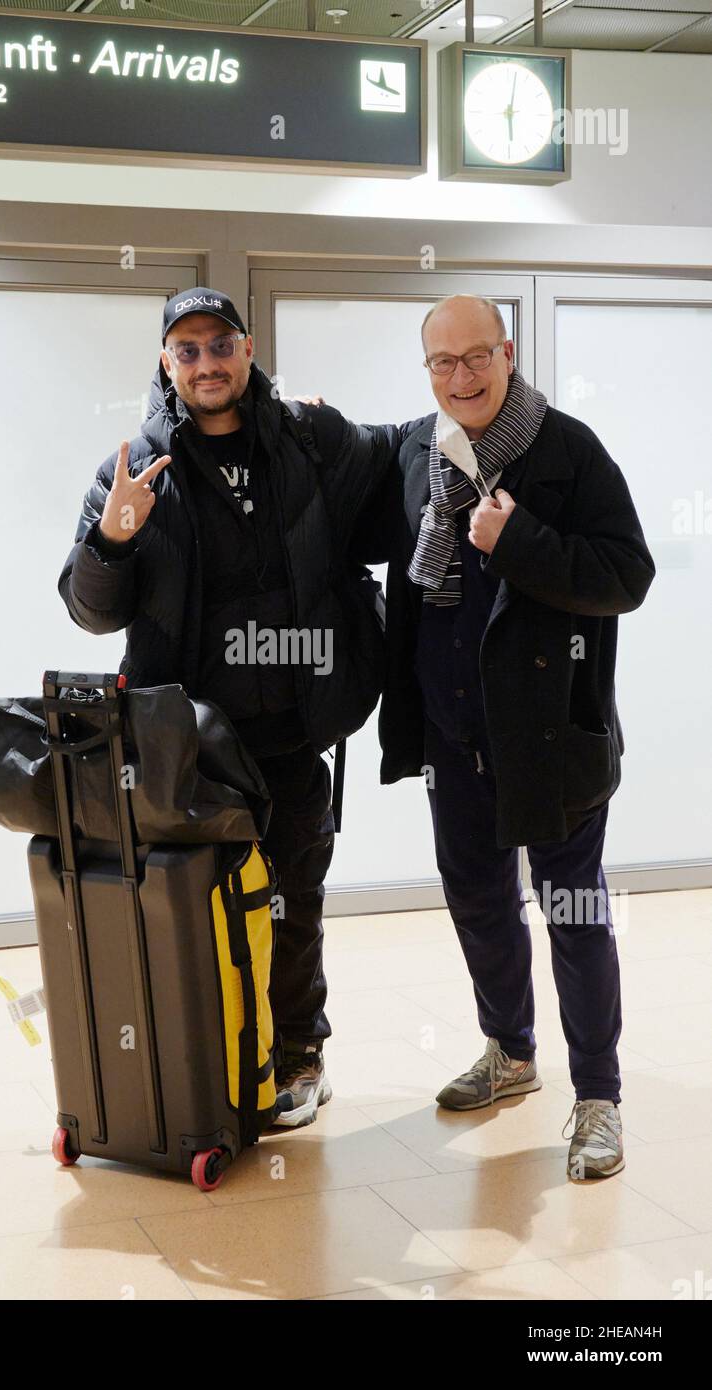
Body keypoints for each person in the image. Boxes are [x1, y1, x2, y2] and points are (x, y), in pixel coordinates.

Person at [59, 287, 423, 1128]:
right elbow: (87, 608)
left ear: (247, 348)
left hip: (295, 731)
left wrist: (474, 402)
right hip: (186, 744)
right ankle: (205, 1053)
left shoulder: (306, 436)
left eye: (219, 345)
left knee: (294, 898)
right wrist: (113, 537)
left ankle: (298, 1052)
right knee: (190, 901)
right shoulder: (134, 467)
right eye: (186, 351)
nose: (206, 363)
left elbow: (403, 447)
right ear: (166, 364)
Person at [370, 293, 655, 1180]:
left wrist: (519, 539)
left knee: (574, 913)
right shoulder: (421, 449)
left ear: (508, 352)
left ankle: (599, 1097)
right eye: (441, 363)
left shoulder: (568, 451)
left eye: (476, 357)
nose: (460, 377)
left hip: (551, 736)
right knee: (479, 900)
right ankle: (512, 1051)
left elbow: (627, 575)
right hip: (454, 734)